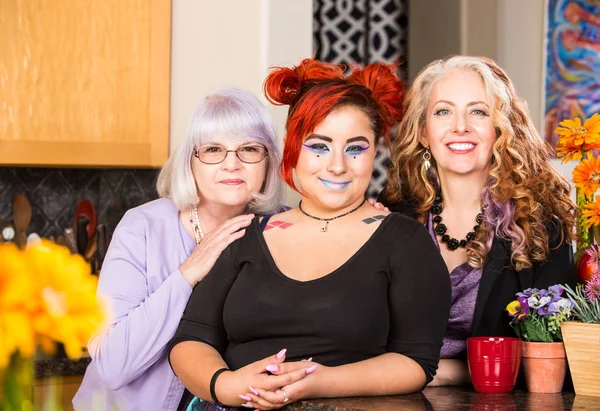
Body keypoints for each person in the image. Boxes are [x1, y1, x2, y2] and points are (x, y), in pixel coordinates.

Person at [168, 58, 452, 411]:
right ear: (292, 147)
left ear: (375, 151)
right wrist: (227, 385)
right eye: (319, 146)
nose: (337, 165)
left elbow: (416, 361)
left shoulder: (406, 243)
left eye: (355, 148)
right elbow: (191, 339)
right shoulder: (245, 235)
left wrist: (316, 381)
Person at [73, 87, 285, 411]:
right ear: (190, 161)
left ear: (268, 161)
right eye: (214, 149)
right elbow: (112, 365)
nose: (232, 164)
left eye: (249, 149)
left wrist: (365, 217)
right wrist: (188, 273)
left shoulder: (285, 229)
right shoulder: (141, 228)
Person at [379, 55, 578, 386]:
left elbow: (553, 362)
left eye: (478, 112)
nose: (460, 126)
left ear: (500, 130)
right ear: (424, 133)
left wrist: (443, 373)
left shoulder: (542, 225)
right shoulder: (391, 218)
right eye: (443, 111)